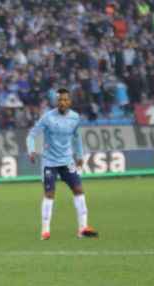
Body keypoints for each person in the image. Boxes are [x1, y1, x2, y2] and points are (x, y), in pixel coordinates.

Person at [26, 88, 99, 240]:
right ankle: (45, 231)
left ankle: (83, 228)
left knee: (78, 189)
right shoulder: (47, 117)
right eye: (60, 100)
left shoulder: (75, 118)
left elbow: (77, 138)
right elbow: (32, 135)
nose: (62, 102)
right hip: (50, 161)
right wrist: (31, 150)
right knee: (49, 194)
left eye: (65, 100)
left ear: (70, 101)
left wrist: (79, 155)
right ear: (56, 101)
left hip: (67, 160)